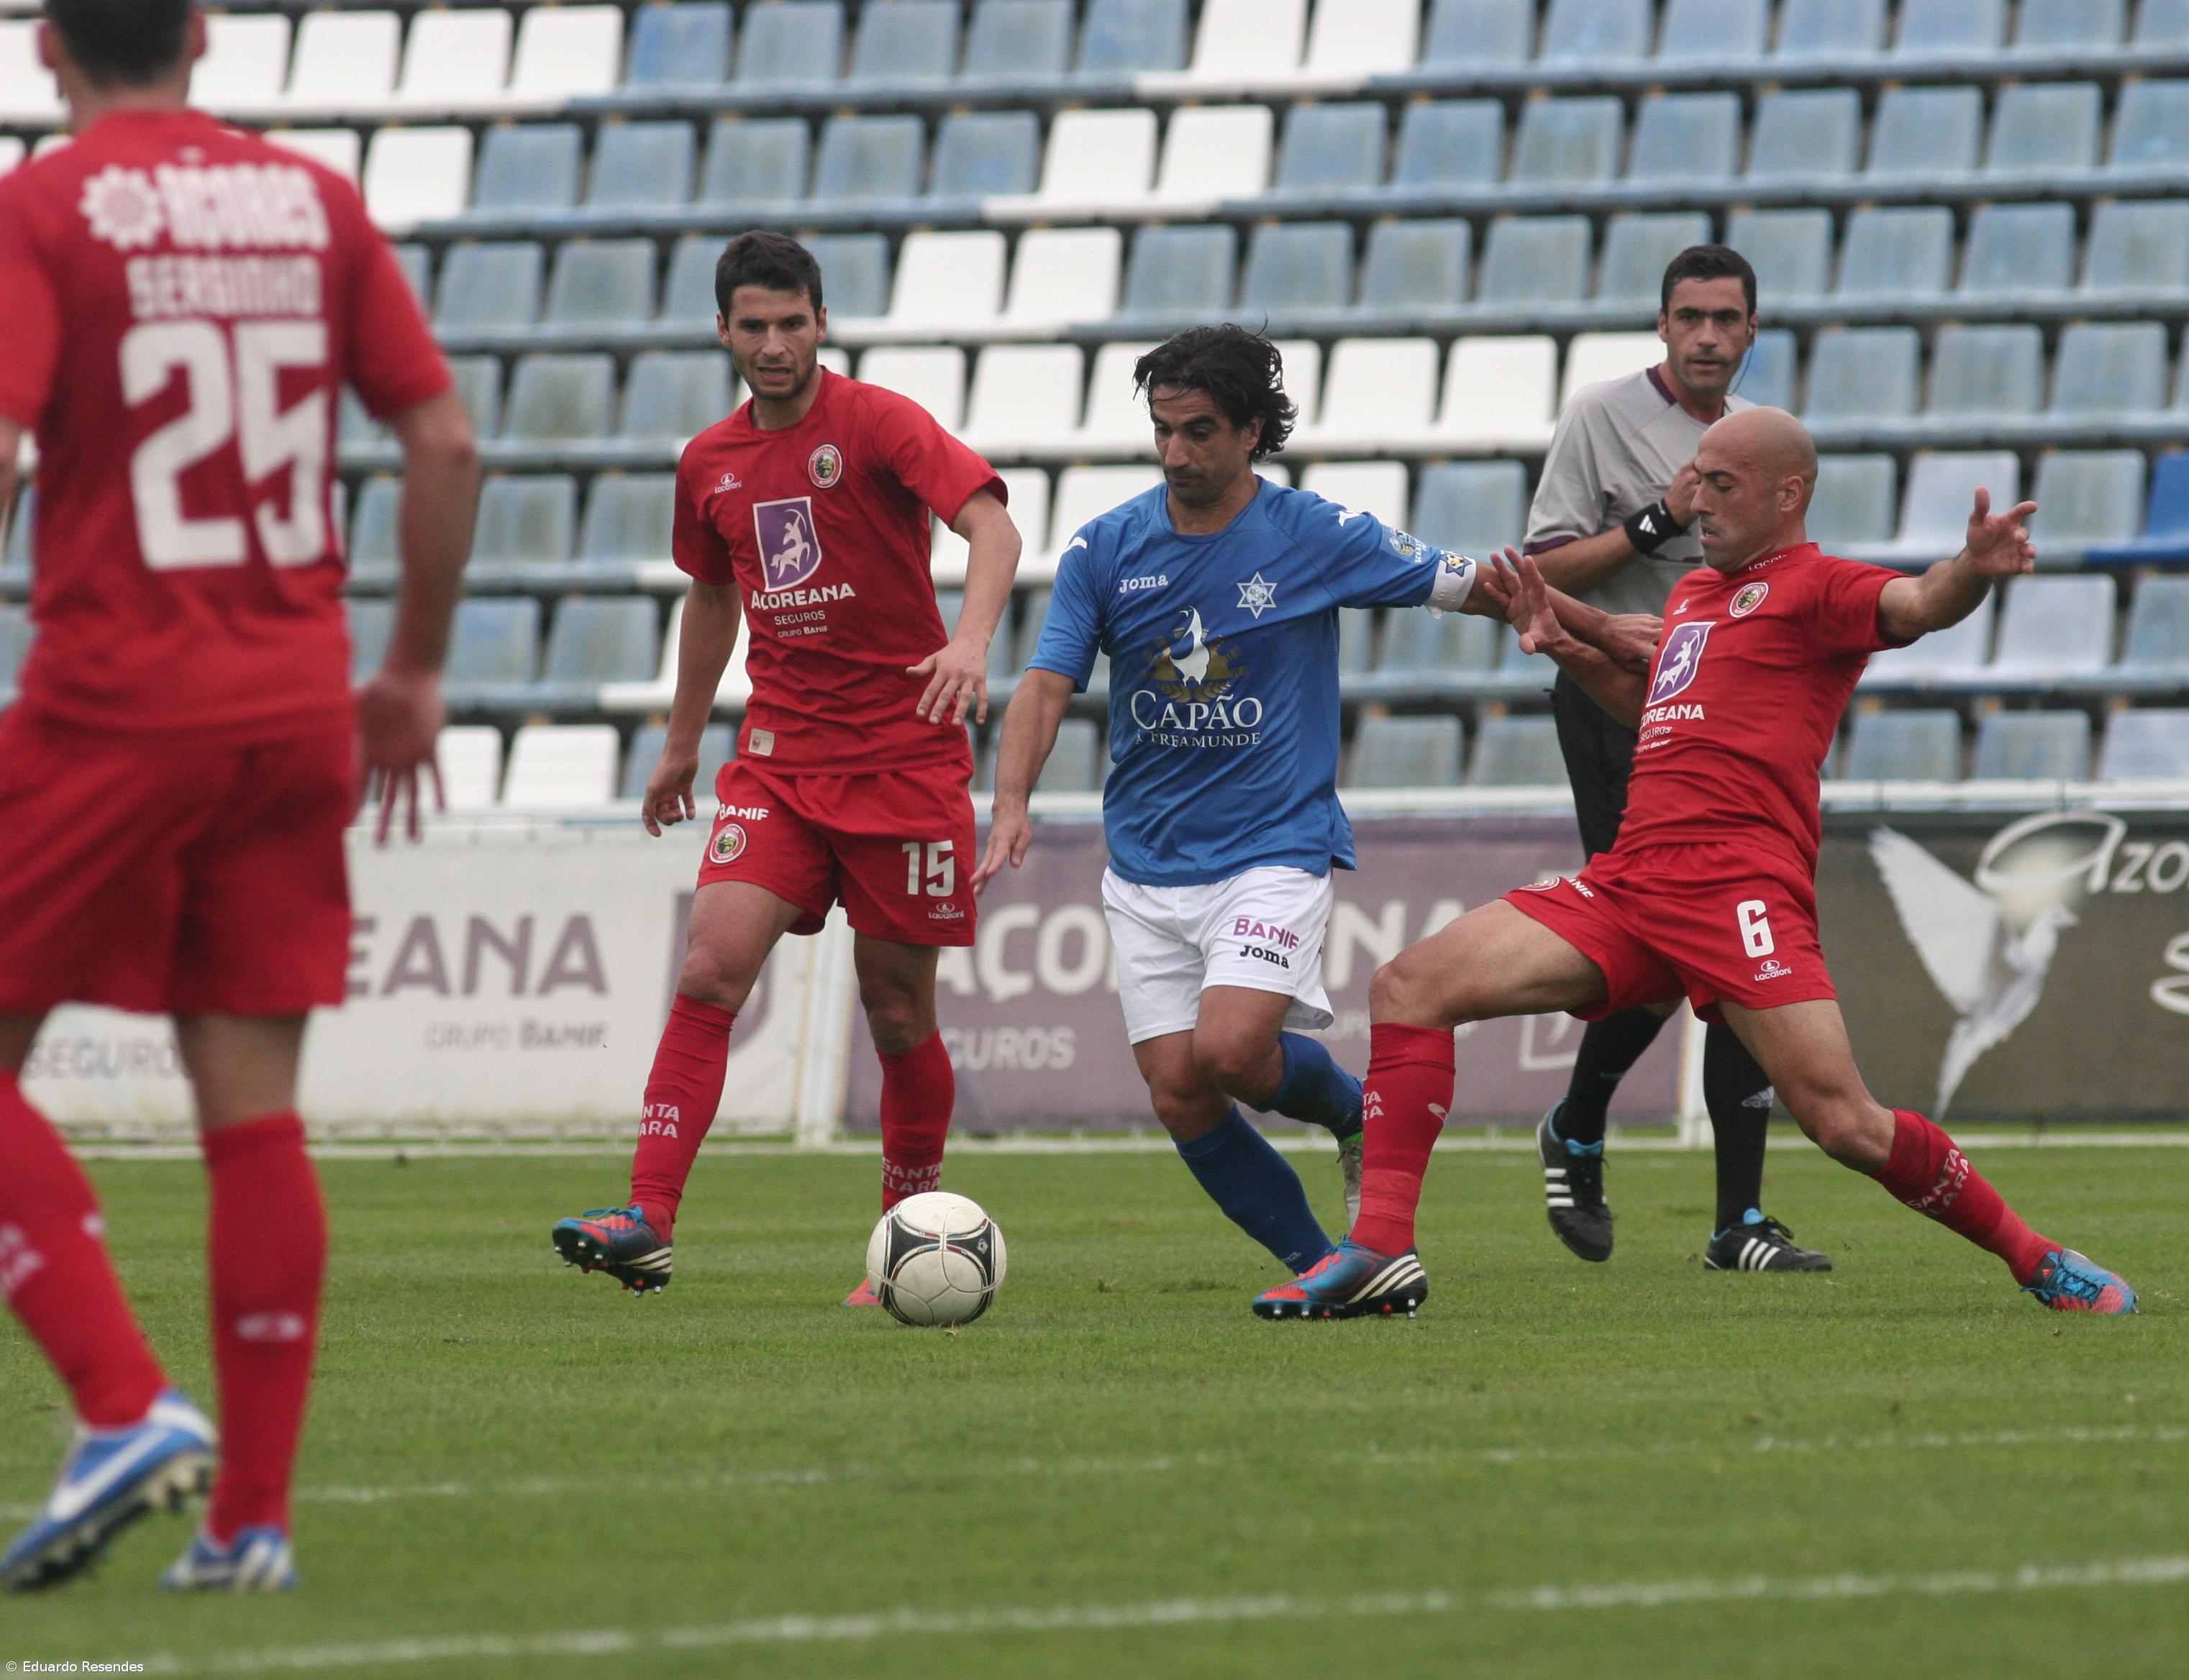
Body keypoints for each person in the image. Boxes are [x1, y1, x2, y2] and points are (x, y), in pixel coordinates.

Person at [1254, 408, 2138, 1321]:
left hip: (1738, 891)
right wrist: (1566, 646)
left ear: (1787, 493)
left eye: (1722, 485)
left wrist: (1974, 572)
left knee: (1844, 1122)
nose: (1696, 502)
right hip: (1633, 881)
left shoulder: (1818, 586)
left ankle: (2038, 1259)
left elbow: (1915, 603)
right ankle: (1380, 1251)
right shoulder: (1692, 598)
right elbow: (1656, 719)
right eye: (1694, 480)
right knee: (1409, 985)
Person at [0, 0, 478, 1589]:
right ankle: (249, 1523)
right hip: (296, 703)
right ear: (203, 38)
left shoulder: (47, 210)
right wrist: (408, 668)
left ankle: (125, 1402)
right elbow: (442, 438)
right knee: (254, 1111)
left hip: (117, 700)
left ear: (45, 50)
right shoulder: (314, 200)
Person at [550, 233, 1021, 1300]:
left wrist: (970, 641)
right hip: (779, 761)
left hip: (905, 760)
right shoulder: (707, 462)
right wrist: (681, 742)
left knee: (897, 1013)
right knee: (711, 970)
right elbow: (713, 594)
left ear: (822, 322)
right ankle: (647, 1218)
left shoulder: (877, 423)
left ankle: (912, 1226)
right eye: (752, 326)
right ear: (722, 330)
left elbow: (992, 528)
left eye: (791, 323)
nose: (773, 345)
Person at [978, 325, 1493, 1278]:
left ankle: (1347, 1110)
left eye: (1200, 431)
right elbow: (1048, 684)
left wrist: (1567, 621)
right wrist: (1011, 804)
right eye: (1164, 430)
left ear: (1253, 429)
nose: (1177, 453)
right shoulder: (1107, 547)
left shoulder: (1314, 535)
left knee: (1228, 1049)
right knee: (1182, 1090)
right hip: (1144, 863)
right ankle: (1322, 1263)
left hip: (1271, 848)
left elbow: (1462, 583)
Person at [1524, 244, 1824, 1275]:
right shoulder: (1601, 415)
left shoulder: (1760, 439)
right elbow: (1544, 566)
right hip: (1621, 702)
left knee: (1744, 939)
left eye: (1726, 319)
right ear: (1661, 325)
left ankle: (1731, 1217)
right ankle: (1588, 1124)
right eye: (1689, 316)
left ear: (1751, 332)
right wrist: (1660, 516)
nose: (1706, 336)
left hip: (1732, 711)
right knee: (1670, 945)